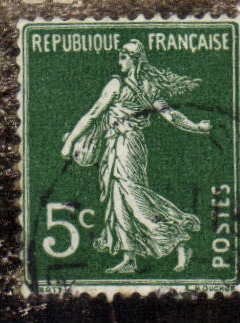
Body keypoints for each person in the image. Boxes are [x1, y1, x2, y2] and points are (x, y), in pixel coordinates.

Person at [61, 40, 210, 274]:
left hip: (127, 146)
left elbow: (93, 115)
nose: (119, 62)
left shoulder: (120, 85)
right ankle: (130, 258)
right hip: (115, 145)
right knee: (118, 200)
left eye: (123, 57)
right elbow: (171, 116)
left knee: (133, 197)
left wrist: (70, 142)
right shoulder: (144, 86)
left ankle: (179, 237)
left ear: (134, 59)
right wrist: (197, 127)